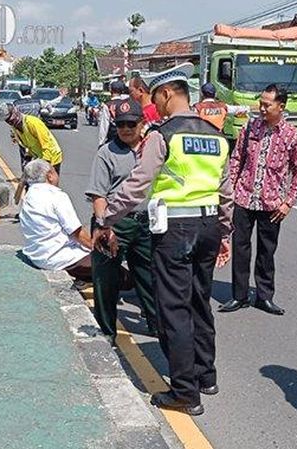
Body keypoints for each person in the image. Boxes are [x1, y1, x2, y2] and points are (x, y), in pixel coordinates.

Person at [94, 62, 233, 416]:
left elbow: (137, 184)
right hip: (209, 226)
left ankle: (185, 392)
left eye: (156, 97)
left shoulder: (162, 135)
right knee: (201, 301)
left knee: (174, 308)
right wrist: (226, 231)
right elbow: (226, 191)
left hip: (175, 229)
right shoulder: (216, 135)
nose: (154, 105)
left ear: (168, 93)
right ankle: (206, 376)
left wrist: (107, 216)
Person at [219, 84, 297, 316]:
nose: (262, 108)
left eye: (267, 104)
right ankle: (239, 296)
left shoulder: (293, 136)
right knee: (240, 248)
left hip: (273, 204)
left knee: (267, 252)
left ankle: (264, 296)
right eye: (261, 103)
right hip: (244, 198)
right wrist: (230, 190)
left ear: (281, 106)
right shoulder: (249, 128)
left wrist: (288, 202)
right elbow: (236, 159)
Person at [85, 99, 157, 340]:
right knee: (105, 281)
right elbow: (98, 194)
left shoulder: (153, 149)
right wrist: (105, 226)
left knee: (150, 277)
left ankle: (158, 325)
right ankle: (107, 332)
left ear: (142, 123)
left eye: (131, 124)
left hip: (147, 221)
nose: (125, 129)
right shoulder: (106, 152)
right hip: (114, 223)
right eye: (120, 124)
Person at [19, 159, 94, 282]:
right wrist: (95, 247)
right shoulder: (56, 196)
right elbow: (76, 233)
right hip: (59, 257)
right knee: (113, 267)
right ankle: (84, 279)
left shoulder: (29, 196)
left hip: (37, 256)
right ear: (50, 176)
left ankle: (83, 278)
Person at [4, 106, 63, 173]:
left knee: (48, 182)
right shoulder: (15, 127)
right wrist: (28, 157)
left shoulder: (32, 123)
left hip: (51, 157)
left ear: (16, 114)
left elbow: (47, 144)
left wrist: (44, 164)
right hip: (39, 156)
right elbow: (29, 144)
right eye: (7, 120)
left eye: (10, 119)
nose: (9, 122)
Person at [98, 80, 128, 146]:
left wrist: (101, 143)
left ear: (111, 91)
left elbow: (104, 126)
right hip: (126, 138)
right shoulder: (126, 104)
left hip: (113, 139)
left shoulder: (108, 105)